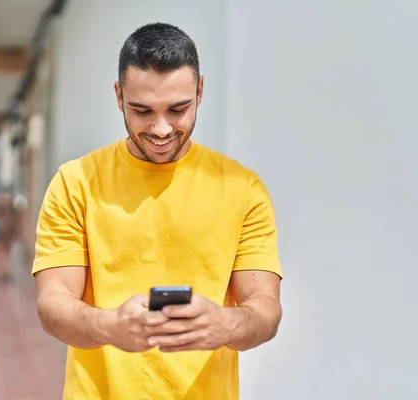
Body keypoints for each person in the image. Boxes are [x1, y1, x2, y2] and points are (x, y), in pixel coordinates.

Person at [33, 22, 283, 400]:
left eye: (178, 109)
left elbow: (266, 308)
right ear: (118, 96)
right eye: (142, 110)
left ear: (200, 91)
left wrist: (226, 324)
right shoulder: (75, 183)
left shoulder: (242, 188)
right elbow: (52, 304)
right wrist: (110, 326)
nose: (162, 128)